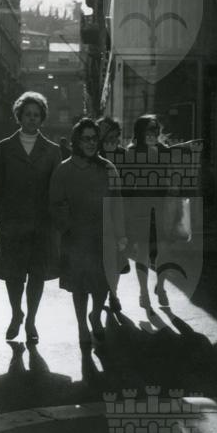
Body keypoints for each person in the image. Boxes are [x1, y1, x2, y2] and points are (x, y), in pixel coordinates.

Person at [0, 91, 62, 344]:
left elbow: (58, 189)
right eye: (27, 114)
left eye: (37, 115)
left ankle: (31, 321)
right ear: (19, 116)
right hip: (12, 223)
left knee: (37, 274)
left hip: (42, 224)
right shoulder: (4, 148)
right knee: (13, 274)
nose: (32, 118)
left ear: (42, 118)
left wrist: (61, 220)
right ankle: (17, 313)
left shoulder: (53, 151)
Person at [50, 118, 127, 348]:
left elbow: (117, 203)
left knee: (103, 284)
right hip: (76, 239)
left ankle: (96, 315)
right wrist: (67, 227)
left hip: (104, 237)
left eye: (94, 138)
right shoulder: (64, 169)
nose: (91, 143)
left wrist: (121, 234)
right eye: (86, 139)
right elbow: (55, 203)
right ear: (76, 141)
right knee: (80, 286)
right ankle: (82, 325)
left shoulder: (108, 168)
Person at [125, 114, 172, 312]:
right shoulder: (132, 152)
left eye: (156, 129)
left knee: (165, 250)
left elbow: (171, 178)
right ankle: (144, 292)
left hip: (162, 207)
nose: (154, 133)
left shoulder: (164, 150)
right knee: (143, 251)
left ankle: (160, 286)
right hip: (141, 207)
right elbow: (128, 185)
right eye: (150, 129)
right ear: (141, 132)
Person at [96, 116, 127, 313]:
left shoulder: (123, 155)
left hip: (119, 213)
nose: (111, 141)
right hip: (97, 214)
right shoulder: (93, 155)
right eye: (106, 137)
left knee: (116, 260)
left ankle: (113, 294)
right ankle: (102, 295)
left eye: (114, 137)